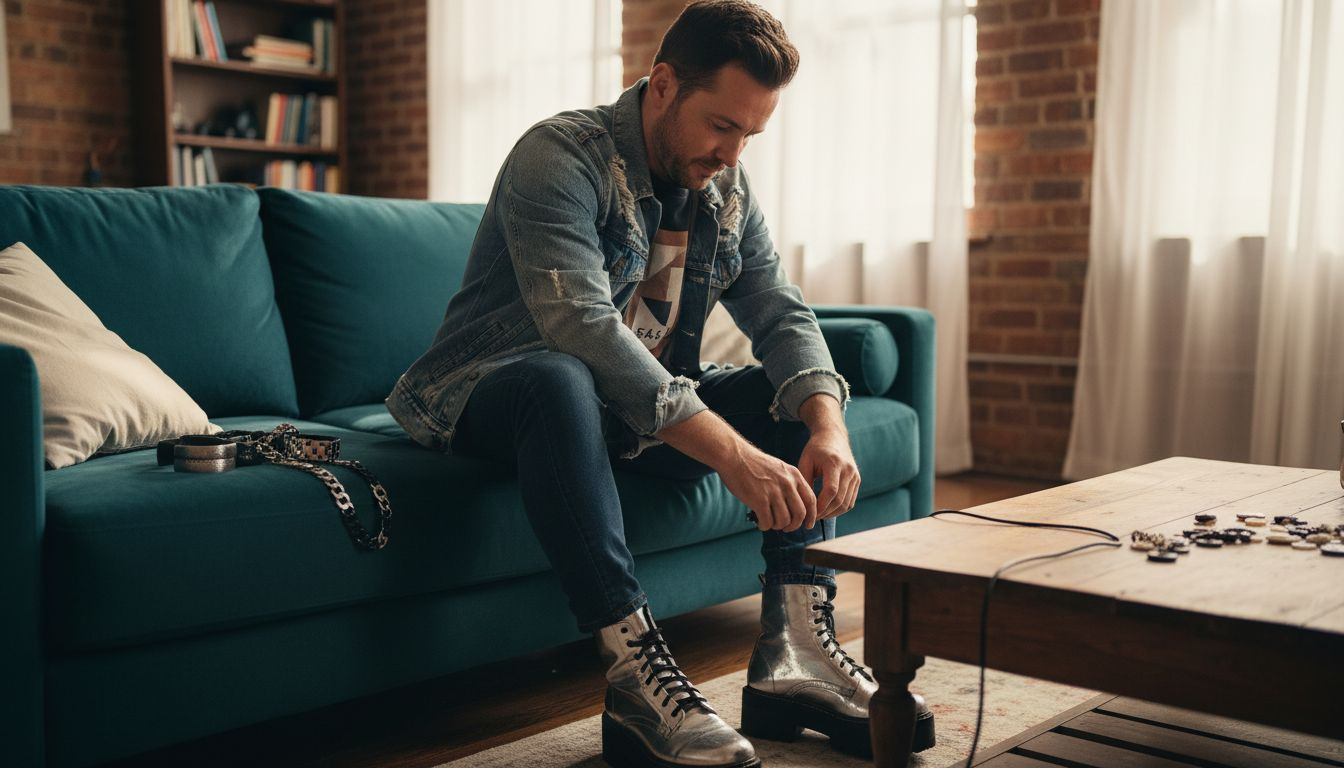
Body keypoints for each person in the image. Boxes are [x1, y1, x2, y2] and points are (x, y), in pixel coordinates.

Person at [388, 2, 933, 765]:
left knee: (789, 402)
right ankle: (634, 679)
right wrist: (734, 459)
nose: (734, 153)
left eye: (750, 134)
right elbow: (584, 328)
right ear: (665, 84)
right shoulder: (560, 156)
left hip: (628, 406)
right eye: (722, 126)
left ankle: (794, 659)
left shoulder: (727, 191)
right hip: (494, 390)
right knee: (561, 378)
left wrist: (826, 426)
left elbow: (780, 311)